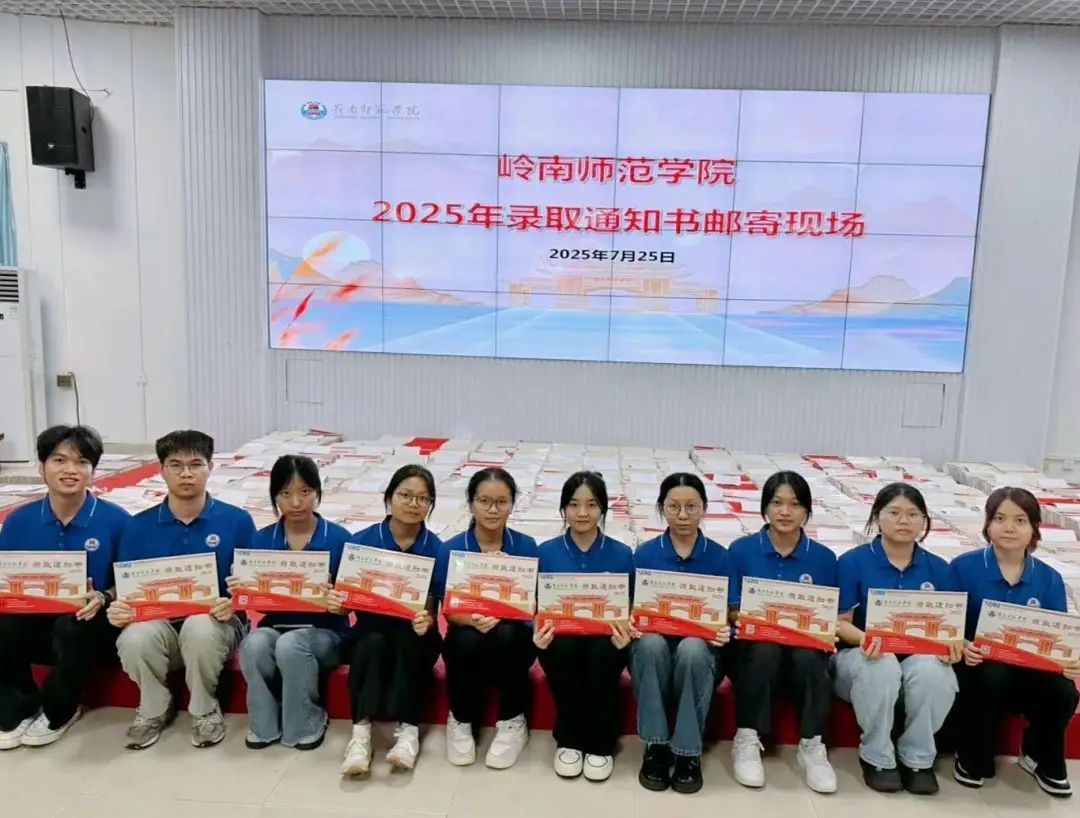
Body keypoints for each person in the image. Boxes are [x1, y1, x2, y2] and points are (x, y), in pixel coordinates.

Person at [107, 430, 255, 750]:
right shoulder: (137, 526)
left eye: (195, 464)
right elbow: (127, 588)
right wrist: (119, 608)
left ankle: (204, 709)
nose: (186, 473)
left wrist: (235, 602)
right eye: (175, 465)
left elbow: (250, 585)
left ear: (210, 468)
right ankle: (154, 707)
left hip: (217, 624)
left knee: (200, 627)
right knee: (134, 637)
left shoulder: (238, 521)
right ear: (162, 470)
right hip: (159, 624)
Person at [0, 425, 129, 749]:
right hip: (35, 624)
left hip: (91, 629)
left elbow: (131, 581)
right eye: (59, 460)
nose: (70, 469)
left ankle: (60, 709)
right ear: (41, 467)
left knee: (75, 625)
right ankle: (19, 705)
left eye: (81, 462)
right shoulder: (18, 521)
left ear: (93, 470)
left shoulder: (118, 521)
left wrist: (104, 595)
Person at [951, 487, 1080, 798]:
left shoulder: (1049, 578)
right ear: (988, 524)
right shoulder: (962, 567)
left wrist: (1067, 661)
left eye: (1020, 520)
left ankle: (1039, 755)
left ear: (1034, 527)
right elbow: (949, 623)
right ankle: (973, 755)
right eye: (999, 519)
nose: (1009, 528)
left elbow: (1058, 636)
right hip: (976, 667)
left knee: (1064, 690)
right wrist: (964, 643)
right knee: (993, 674)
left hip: (1029, 670)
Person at [833, 483, 961, 795]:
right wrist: (865, 639)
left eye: (913, 514)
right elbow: (839, 623)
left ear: (924, 520)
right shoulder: (852, 562)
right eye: (894, 513)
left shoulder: (939, 569)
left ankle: (918, 757)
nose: (904, 521)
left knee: (936, 671)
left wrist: (952, 647)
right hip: (862, 658)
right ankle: (876, 755)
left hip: (917, 660)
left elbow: (950, 628)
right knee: (882, 664)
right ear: (877, 516)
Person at [728, 470, 839, 794]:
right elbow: (731, 609)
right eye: (777, 503)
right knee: (765, 649)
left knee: (810, 656)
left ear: (807, 511)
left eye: (795, 504)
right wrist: (760, 621)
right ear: (765, 507)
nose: (785, 512)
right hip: (753, 649)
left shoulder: (824, 558)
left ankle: (812, 745)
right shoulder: (741, 550)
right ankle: (747, 737)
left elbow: (829, 614)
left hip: (803, 650)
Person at [235, 455, 351, 751]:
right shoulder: (261, 540)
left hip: (327, 632)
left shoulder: (339, 539)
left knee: (290, 645)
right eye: (285, 493)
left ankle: (307, 722)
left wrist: (339, 602)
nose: (296, 502)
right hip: (276, 626)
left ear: (317, 493)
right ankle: (264, 724)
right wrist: (244, 589)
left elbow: (351, 603)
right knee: (253, 644)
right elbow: (260, 605)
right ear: (274, 496)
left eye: (305, 492)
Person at [630, 473, 731, 794]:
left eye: (691, 507)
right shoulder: (644, 555)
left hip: (700, 653)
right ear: (662, 508)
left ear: (704, 508)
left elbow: (731, 611)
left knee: (693, 648)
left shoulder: (721, 557)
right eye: (674, 507)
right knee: (649, 644)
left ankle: (688, 752)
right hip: (653, 650)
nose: (683, 515)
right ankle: (656, 746)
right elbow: (630, 607)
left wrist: (725, 627)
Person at [340, 464, 443, 777]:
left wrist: (427, 620)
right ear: (389, 498)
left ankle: (408, 732)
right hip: (369, 630)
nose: (414, 504)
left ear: (431, 505)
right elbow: (344, 601)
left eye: (423, 498)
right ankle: (360, 735)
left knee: (409, 639)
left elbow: (432, 607)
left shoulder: (437, 549)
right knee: (371, 642)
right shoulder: (361, 543)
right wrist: (337, 603)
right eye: (405, 495)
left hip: (414, 633)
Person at [434, 467, 538, 769]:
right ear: (471, 504)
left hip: (513, 637)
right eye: (484, 501)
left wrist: (511, 580)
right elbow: (448, 610)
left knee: (506, 633)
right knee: (467, 638)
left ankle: (512, 719)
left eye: (501, 502)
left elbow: (533, 606)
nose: (493, 510)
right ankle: (461, 718)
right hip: (467, 634)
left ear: (512, 505)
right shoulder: (451, 549)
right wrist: (470, 619)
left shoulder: (526, 547)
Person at [535, 471, 635, 783]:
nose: (582, 513)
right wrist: (536, 632)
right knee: (564, 647)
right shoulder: (545, 552)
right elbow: (533, 605)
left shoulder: (623, 554)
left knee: (601, 651)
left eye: (591, 505)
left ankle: (602, 741)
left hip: (607, 644)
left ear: (602, 509)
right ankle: (569, 738)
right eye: (574, 504)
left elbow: (632, 607)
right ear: (563, 508)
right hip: (558, 641)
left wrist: (627, 632)